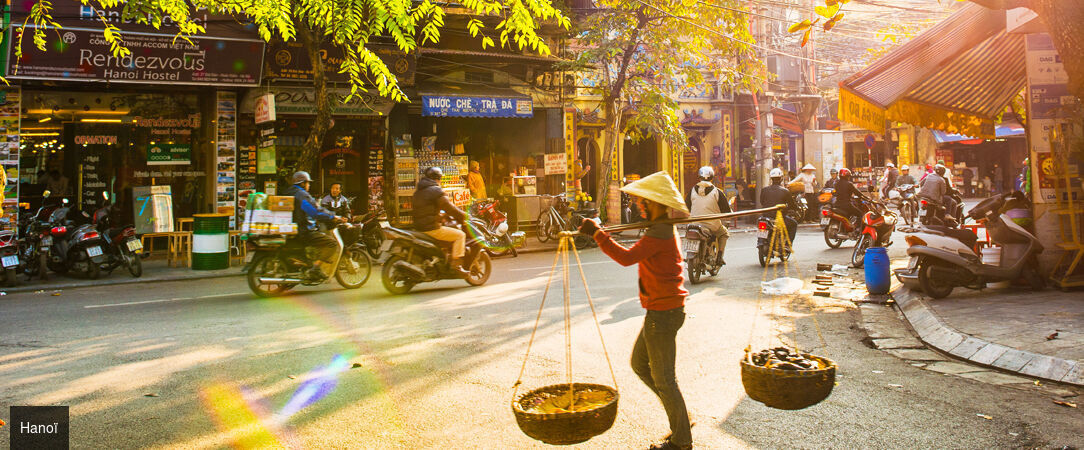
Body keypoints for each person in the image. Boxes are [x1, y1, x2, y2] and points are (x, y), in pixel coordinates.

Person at [578, 171, 692, 450]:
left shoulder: (660, 231)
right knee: (640, 365)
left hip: (663, 313)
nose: (640, 206)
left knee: (665, 379)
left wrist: (597, 233)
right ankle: (680, 417)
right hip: (661, 311)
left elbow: (626, 257)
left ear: (656, 204)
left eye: (644, 202)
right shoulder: (659, 228)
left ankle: (681, 440)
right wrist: (600, 232)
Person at [286, 171, 347, 281]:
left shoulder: (289, 191)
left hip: (294, 229)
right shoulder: (302, 195)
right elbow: (315, 211)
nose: (309, 185)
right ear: (303, 183)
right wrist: (333, 216)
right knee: (331, 244)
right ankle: (316, 268)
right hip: (304, 230)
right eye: (308, 183)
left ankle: (309, 263)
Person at [413, 166, 473, 278]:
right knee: (460, 235)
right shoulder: (435, 190)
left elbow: (427, 209)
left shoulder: (418, 191)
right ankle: (456, 266)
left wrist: (441, 216)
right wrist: (464, 215)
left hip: (419, 227)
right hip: (431, 228)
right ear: (438, 178)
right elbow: (450, 208)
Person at [686, 166, 731, 265]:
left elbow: (687, 207)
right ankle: (719, 257)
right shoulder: (717, 192)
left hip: (694, 224)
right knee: (724, 233)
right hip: (712, 225)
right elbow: (726, 210)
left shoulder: (692, 190)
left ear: (699, 177)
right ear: (712, 177)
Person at [760, 168, 799, 242]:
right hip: (779, 218)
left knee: (762, 224)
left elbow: (762, 202)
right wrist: (794, 210)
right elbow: (792, 205)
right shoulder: (785, 191)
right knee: (794, 224)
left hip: (765, 216)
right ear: (781, 179)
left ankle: (761, 241)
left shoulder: (764, 190)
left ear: (771, 178)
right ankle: (787, 244)